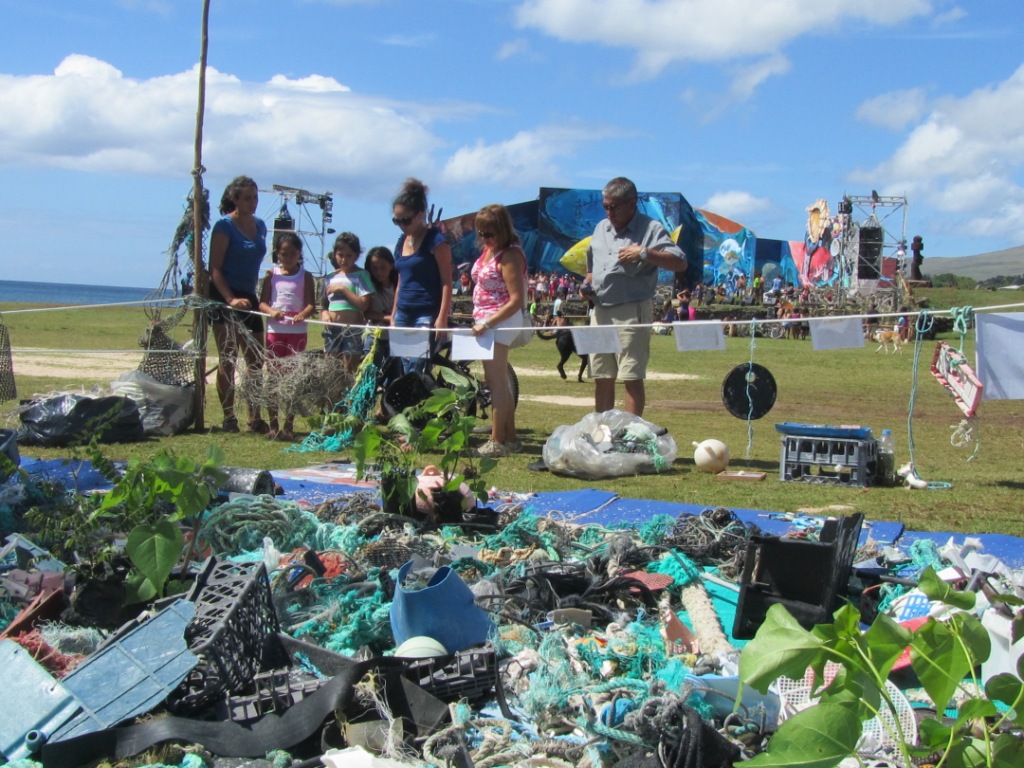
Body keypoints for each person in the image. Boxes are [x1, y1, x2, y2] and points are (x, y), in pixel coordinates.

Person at [583, 177, 688, 416]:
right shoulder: (601, 228)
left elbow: (680, 262)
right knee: (602, 375)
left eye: (614, 206)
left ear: (632, 204)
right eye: (605, 206)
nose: (609, 212)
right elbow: (592, 265)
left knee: (631, 376)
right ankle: (603, 434)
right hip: (599, 311)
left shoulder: (651, 229)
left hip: (631, 312)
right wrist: (587, 283)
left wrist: (644, 253)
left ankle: (631, 437)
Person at [208, 175, 269, 434]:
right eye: (247, 198)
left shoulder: (261, 226)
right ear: (235, 199)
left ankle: (254, 415)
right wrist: (230, 299)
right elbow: (215, 269)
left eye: (255, 197)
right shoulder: (224, 227)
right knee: (228, 357)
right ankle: (228, 417)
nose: (252, 203)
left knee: (255, 359)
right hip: (225, 296)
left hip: (250, 295)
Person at [469, 204, 528, 457]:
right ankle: (510, 438)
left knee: (496, 384)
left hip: (499, 323)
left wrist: (488, 322)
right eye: (481, 234)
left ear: (502, 230)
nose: (484, 239)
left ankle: (497, 441)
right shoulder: (490, 251)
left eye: (489, 233)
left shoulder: (510, 255)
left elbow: (516, 299)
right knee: (500, 382)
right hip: (488, 323)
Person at [391, 178, 453, 373]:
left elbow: (446, 281)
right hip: (403, 312)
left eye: (405, 220)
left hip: (426, 313)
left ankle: (419, 402)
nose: (401, 225)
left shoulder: (436, 241)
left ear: (419, 215)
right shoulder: (402, 241)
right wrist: (393, 314)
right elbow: (400, 280)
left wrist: (442, 317)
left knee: (416, 368)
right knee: (403, 368)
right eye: (396, 221)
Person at [258, 232, 315, 441]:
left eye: (292, 253)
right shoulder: (271, 275)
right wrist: (272, 312)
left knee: (293, 379)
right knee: (273, 378)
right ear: (278, 254)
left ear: (299, 253)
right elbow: (262, 302)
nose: (288, 257)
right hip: (275, 332)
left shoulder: (305, 275)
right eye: (284, 253)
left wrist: (302, 314)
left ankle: (288, 425)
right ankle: (273, 424)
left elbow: (311, 304)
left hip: (297, 333)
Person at [322, 232, 374, 374]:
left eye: (349, 255)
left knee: (349, 369)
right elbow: (324, 305)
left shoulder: (361, 275)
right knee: (331, 369)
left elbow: (363, 304)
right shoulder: (330, 278)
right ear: (335, 255)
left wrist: (343, 289)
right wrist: (325, 314)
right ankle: (332, 396)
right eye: (340, 255)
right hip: (332, 330)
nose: (344, 259)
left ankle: (348, 396)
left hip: (352, 330)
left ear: (357, 255)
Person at [363, 245, 398, 355]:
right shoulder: (369, 287)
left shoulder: (397, 287)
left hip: (395, 338)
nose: (379, 272)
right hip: (373, 336)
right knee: (371, 370)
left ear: (391, 265)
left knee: (395, 371)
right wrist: (390, 318)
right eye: (375, 268)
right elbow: (367, 313)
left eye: (383, 267)